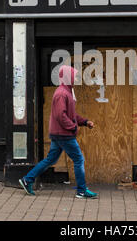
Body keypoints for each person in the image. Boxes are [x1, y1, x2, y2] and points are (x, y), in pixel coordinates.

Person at [19, 65, 98, 199]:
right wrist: (73, 127)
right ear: (68, 76)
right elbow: (60, 115)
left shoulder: (67, 92)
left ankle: (27, 180)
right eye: (74, 76)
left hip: (59, 133)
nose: (75, 78)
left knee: (50, 159)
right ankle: (81, 191)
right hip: (64, 134)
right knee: (79, 159)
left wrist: (84, 122)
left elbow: (70, 114)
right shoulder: (62, 93)